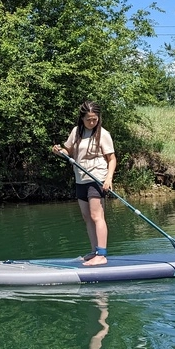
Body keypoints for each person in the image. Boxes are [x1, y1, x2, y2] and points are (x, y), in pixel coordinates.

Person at [52, 100, 116, 266]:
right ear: (82, 118)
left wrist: (108, 179)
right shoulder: (76, 132)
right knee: (86, 216)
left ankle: (102, 254)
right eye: (89, 119)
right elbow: (68, 151)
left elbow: (112, 159)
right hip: (80, 179)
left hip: (97, 179)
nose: (92, 122)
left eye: (95, 119)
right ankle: (94, 250)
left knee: (96, 216)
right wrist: (60, 151)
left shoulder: (103, 134)